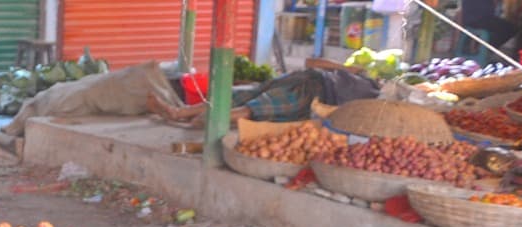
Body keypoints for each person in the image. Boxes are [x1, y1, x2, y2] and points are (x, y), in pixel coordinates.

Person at [146, 67, 381, 127]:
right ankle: (180, 113)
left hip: (313, 95)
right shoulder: (364, 78)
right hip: (303, 80)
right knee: (238, 96)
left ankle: (191, 116)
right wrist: (348, 69)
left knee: (256, 107)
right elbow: (311, 63)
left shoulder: (371, 105)